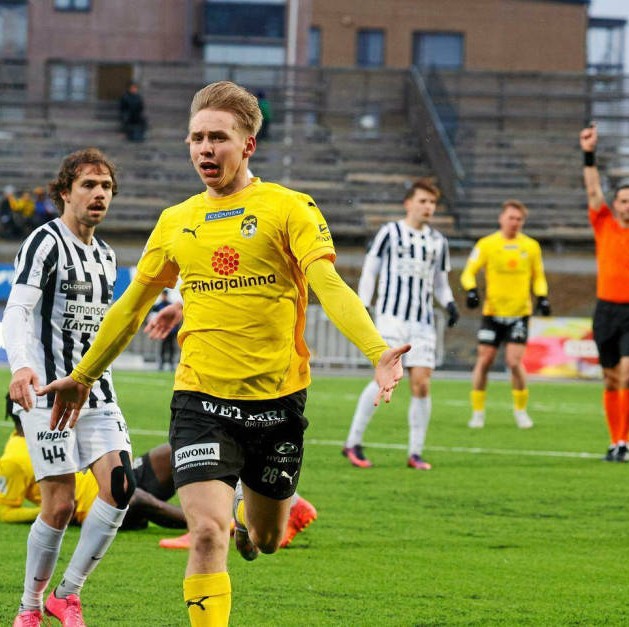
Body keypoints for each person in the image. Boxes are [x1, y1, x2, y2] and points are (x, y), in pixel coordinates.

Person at [38, 81, 408, 627]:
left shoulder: (288, 207)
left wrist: (376, 350)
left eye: (218, 137)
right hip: (201, 401)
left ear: (248, 145)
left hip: (277, 402)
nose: (205, 149)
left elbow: (327, 284)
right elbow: (131, 305)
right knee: (207, 533)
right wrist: (83, 374)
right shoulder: (176, 221)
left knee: (267, 536)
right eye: (196, 138)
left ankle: (250, 524)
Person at [3, 148, 133, 627]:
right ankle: (29, 607)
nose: (99, 195)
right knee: (58, 506)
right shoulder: (44, 243)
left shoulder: (107, 257)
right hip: (47, 392)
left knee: (120, 486)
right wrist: (21, 368)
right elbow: (17, 309)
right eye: (88, 185)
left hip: (96, 391)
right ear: (64, 193)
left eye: (106, 187)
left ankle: (67, 593)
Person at [0, 414, 318, 548]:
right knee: (133, 499)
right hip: (99, 505)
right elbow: (7, 511)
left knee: (182, 451)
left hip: (121, 478)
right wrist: (57, 512)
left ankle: (289, 502)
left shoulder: (56, 430)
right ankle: (216, 524)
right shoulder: (13, 458)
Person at [342, 180, 458, 471]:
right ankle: (353, 442)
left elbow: (441, 284)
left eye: (432, 203)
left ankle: (415, 452)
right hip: (391, 318)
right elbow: (371, 271)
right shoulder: (389, 233)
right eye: (422, 201)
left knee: (422, 383)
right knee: (385, 378)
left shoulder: (438, 241)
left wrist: (450, 303)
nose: (428, 207)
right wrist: (363, 304)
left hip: (423, 322)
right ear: (408, 204)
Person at [460, 200, 549, 430]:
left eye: (519, 219)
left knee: (514, 362)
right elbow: (468, 272)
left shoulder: (531, 246)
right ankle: (478, 412)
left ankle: (520, 411)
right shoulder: (487, 244)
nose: (515, 222)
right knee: (484, 360)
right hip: (492, 313)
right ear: (501, 218)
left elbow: (538, 276)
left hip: (519, 314)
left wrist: (542, 296)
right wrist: (471, 290)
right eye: (511, 217)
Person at [580, 125, 629, 462]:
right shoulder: (605, 224)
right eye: (624, 201)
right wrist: (588, 153)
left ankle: (625, 442)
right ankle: (614, 440)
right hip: (606, 310)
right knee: (611, 378)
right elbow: (592, 190)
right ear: (615, 204)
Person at [150, 290, 180, 370]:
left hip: (171, 331)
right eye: (163, 295)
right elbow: (152, 315)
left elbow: (175, 318)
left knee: (171, 348)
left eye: (165, 295)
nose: (164, 297)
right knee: (162, 348)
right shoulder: (157, 306)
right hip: (162, 331)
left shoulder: (171, 306)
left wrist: (175, 329)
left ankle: (171, 364)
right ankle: (161, 364)